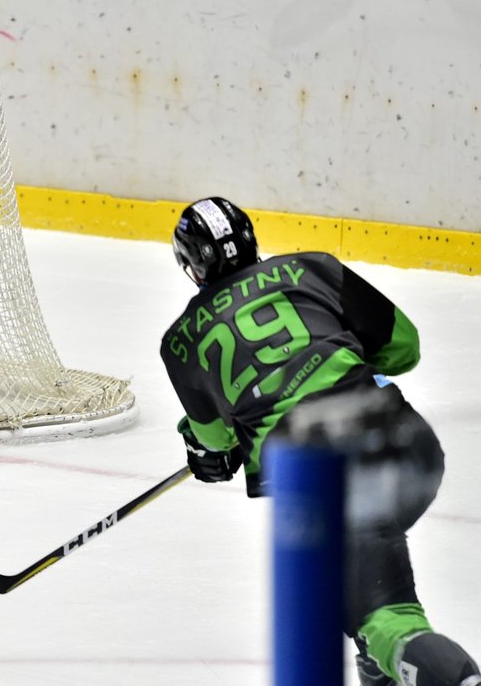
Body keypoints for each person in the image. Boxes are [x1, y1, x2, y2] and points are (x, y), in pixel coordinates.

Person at [159, 197, 480, 686]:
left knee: (384, 620)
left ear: (191, 264)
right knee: (356, 599)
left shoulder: (181, 340)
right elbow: (404, 347)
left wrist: (204, 450)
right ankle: (379, 657)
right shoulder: (313, 268)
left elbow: (216, 442)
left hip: (324, 479)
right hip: (411, 448)